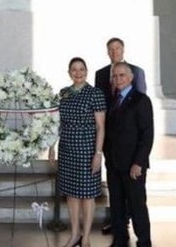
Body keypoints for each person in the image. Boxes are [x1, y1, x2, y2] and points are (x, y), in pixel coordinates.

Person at [49, 57, 106, 247]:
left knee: (87, 195)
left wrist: (98, 154)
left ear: (87, 71)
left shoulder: (95, 93)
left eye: (82, 69)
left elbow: (101, 127)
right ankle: (75, 234)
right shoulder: (63, 93)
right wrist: (51, 147)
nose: (78, 72)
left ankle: (87, 237)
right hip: (66, 149)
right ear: (69, 72)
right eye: (74, 69)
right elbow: (57, 123)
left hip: (87, 150)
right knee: (72, 194)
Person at [94, 37, 146, 235]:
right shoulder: (100, 74)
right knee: (114, 183)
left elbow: (140, 103)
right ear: (107, 52)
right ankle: (118, 223)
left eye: (118, 48)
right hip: (108, 136)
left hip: (130, 140)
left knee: (131, 186)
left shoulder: (136, 72)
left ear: (123, 50)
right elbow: (98, 104)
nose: (115, 51)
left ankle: (130, 221)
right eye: (111, 49)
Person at [104, 62, 154, 247]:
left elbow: (147, 134)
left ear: (131, 77)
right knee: (116, 204)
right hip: (114, 163)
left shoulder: (141, 100)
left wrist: (138, 163)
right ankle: (120, 238)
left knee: (137, 205)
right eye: (115, 76)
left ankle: (144, 241)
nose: (118, 79)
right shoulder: (112, 100)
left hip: (133, 165)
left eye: (122, 75)